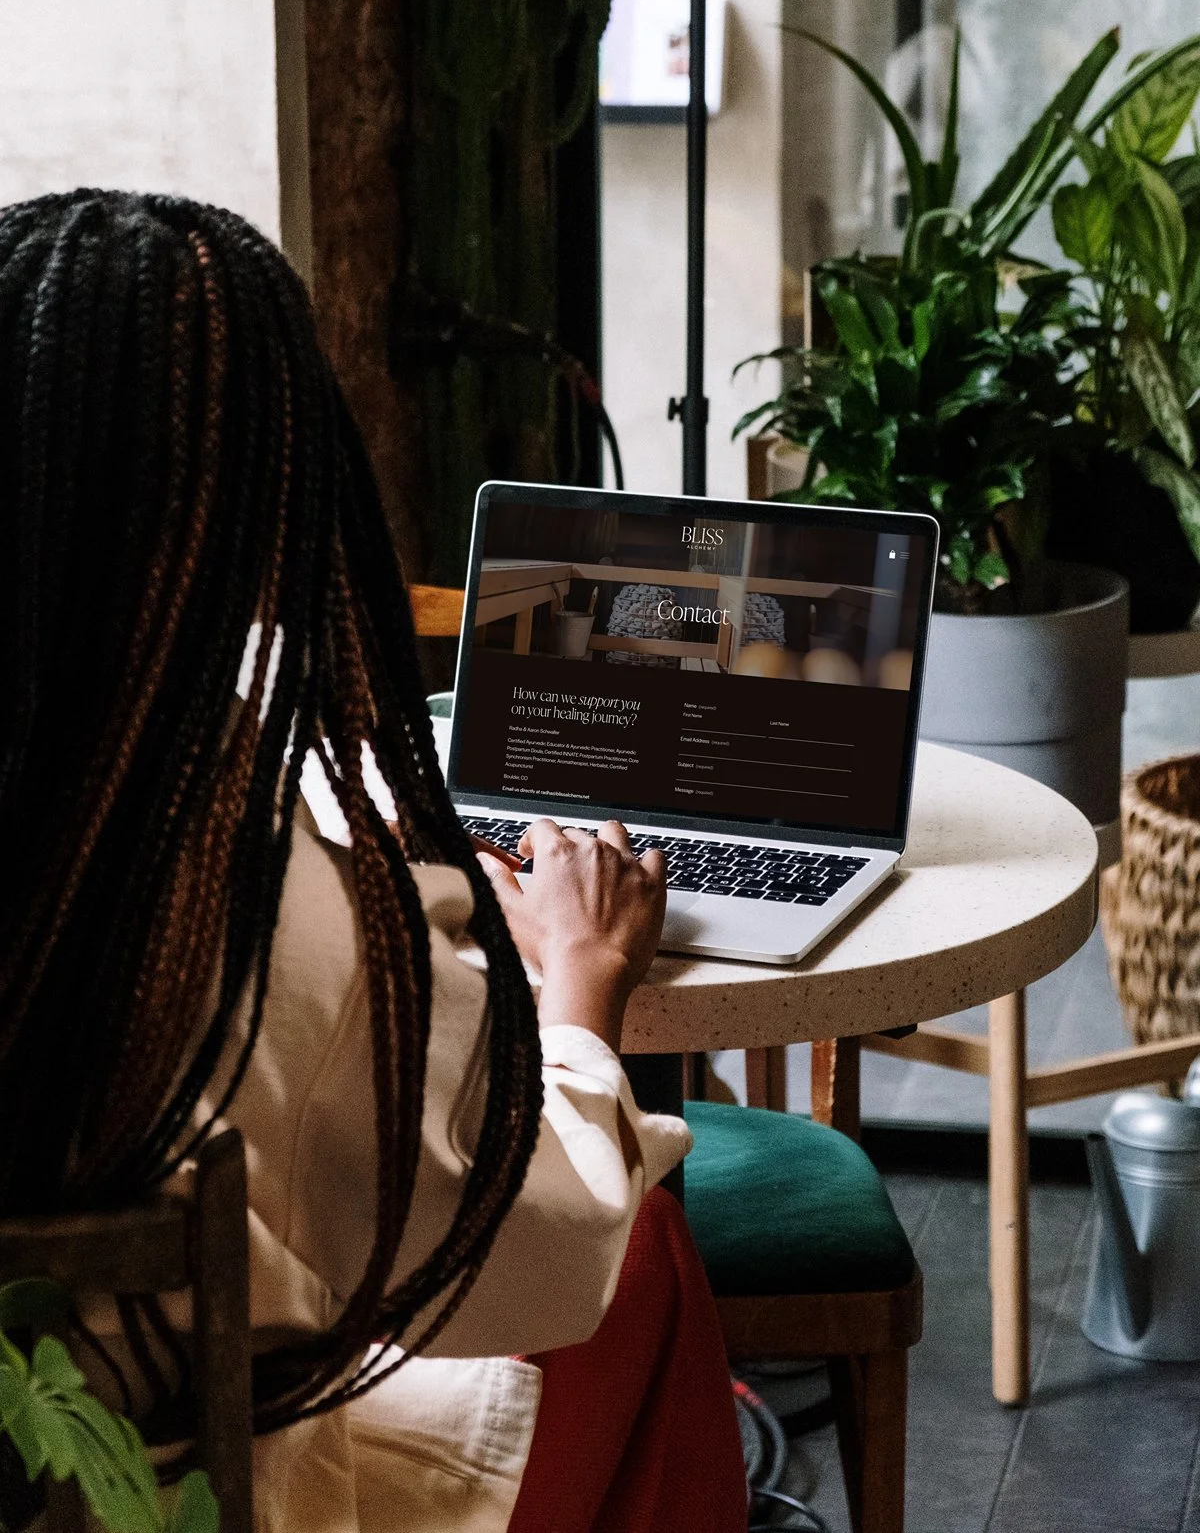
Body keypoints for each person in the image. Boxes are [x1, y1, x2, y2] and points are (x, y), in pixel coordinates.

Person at [0, 191, 746, 1532]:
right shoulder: (264, 915)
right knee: (638, 1251)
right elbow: (546, 1259)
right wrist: (582, 986)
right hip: (177, 1501)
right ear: (265, 511)